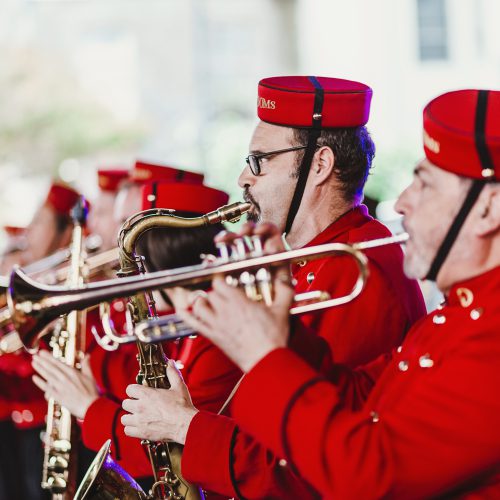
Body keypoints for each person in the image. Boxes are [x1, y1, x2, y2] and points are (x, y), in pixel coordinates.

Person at [173, 89, 500, 498]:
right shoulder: (458, 314)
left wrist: (262, 352)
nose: (400, 203)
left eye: (425, 185)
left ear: (488, 208)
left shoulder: (488, 332)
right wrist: (281, 331)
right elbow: (357, 397)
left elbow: (368, 477)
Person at [121, 76, 426, 499]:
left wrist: (184, 426)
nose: (245, 178)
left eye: (260, 160)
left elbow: (314, 454)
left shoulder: (358, 266)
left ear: (319, 165)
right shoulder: (311, 260)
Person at [32, 173, 241, 493]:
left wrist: (89, 406)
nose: (115, 245)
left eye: (127, 227)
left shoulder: (217, 331)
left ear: (159, 247)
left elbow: (175, 451)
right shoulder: (193, 322)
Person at [0, 181, 81, 500]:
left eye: (39, 222)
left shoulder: (66, 279)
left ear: (64, 231)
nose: (28, 232)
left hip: (49, 422)